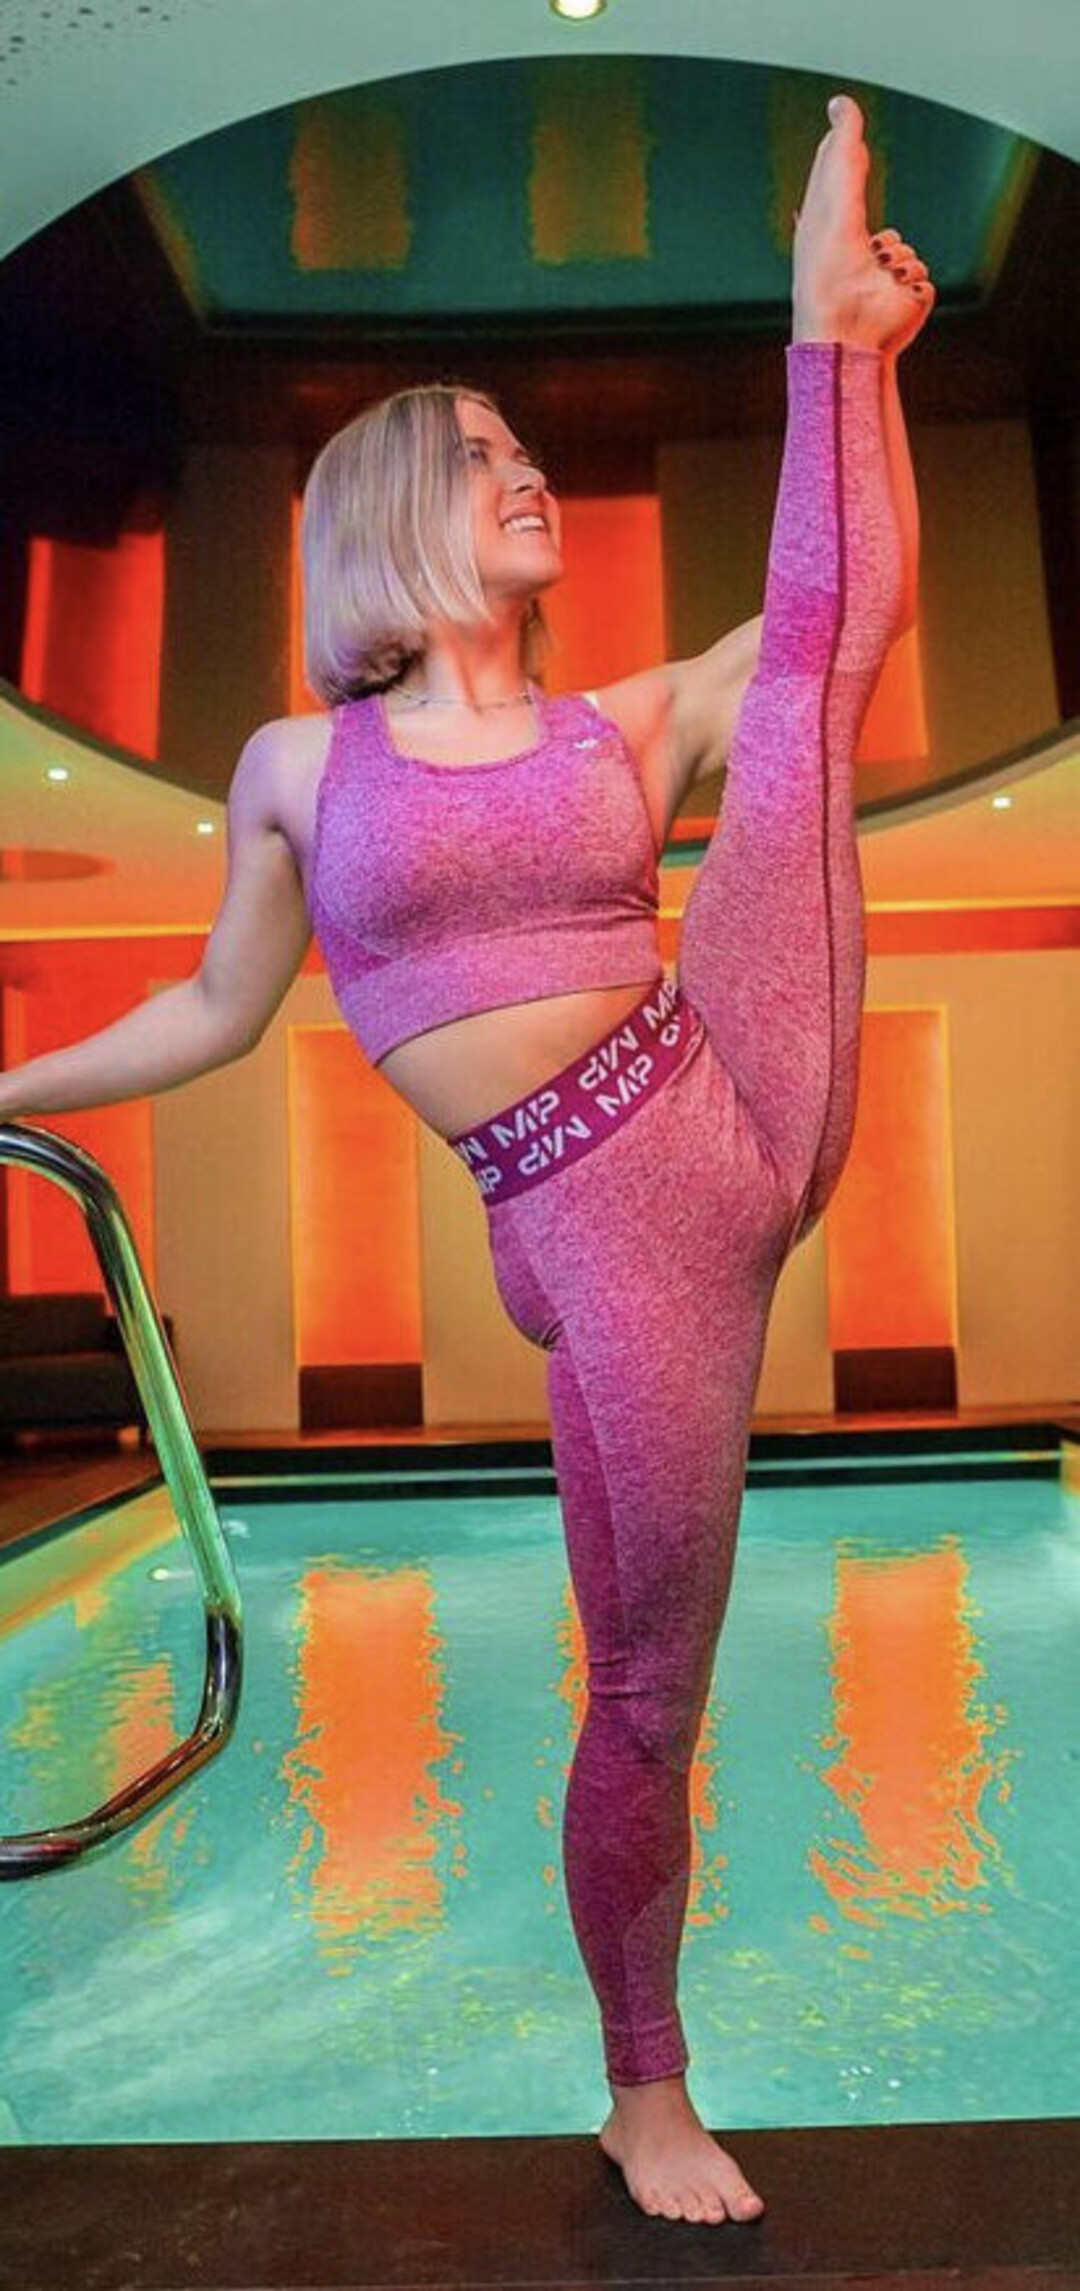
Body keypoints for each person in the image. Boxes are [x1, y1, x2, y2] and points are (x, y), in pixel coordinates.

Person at [0, 92, 933, 2227]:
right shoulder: (299, 767)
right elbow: (212, 1011)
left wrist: (858, 373)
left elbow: (834, 627)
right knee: (644, 1692)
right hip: (593, 1233)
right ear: (387, 517)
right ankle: (643, 2084)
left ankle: (826, 332)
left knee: (809, 681)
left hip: (722, 1107)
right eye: (485, 452)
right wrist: (14, 1078)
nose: (529, 472)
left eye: (530, 451)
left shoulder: (624, 723)